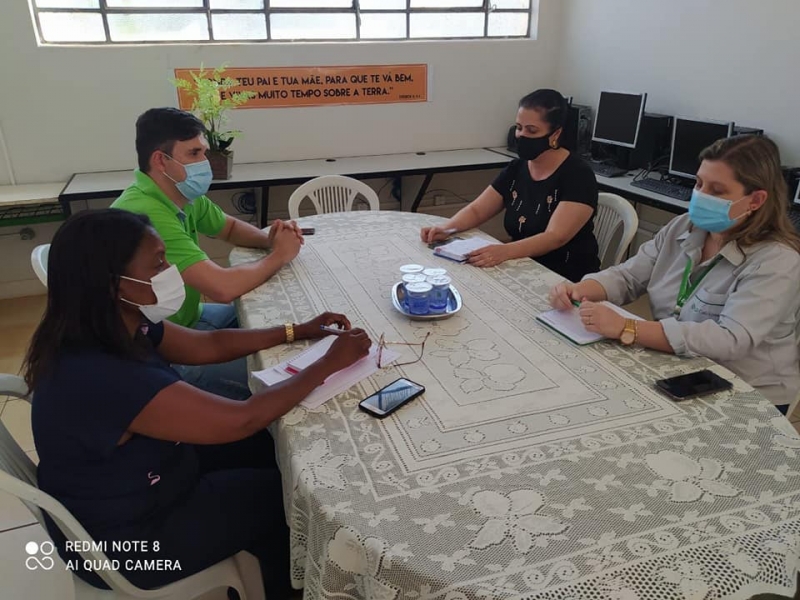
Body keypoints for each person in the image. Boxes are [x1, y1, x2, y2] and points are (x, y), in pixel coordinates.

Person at [25, 209, 371, 598]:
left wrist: (297, 330)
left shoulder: (114, 321)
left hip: (142, 483)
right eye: (158, 262)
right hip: (130, 545)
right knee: (296, 497)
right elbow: (242, 419)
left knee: (282, 449)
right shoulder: (101, 373)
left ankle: (264, 556)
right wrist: (328, 362)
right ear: (112, 284)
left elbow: (210, 344)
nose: (170, 269)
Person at [548, 135, 800, 412]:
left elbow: (729, 340)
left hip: (747, 390)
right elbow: (629, 276)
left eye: (717, 191)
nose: (701, 196)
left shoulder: (778, 260)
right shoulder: (684, 227)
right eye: (699, 183)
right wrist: (583, 288)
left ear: (756, 200)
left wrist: (627, 327)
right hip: (679, 368)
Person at [111, 107, 303, 400]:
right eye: (194, 153)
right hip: (158, 352)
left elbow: (228, 228)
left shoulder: (181, 194)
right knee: (284, 377)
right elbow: (222, 287)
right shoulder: (146, 212)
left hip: (187, 320)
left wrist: (270, 239)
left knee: (274, 325)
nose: (205, 163)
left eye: (204, 153)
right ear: (161, 160)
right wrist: (279, 256)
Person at [421, 89, 600, 281]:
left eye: (532, 130)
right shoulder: (517, 168)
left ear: (555, 133)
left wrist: (504, 251)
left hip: (566, 277)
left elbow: (556, 236)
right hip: (522, 265)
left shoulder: (578, 174)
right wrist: (448, 228)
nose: (521, 135)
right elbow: (478, 210)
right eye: (519, 127)